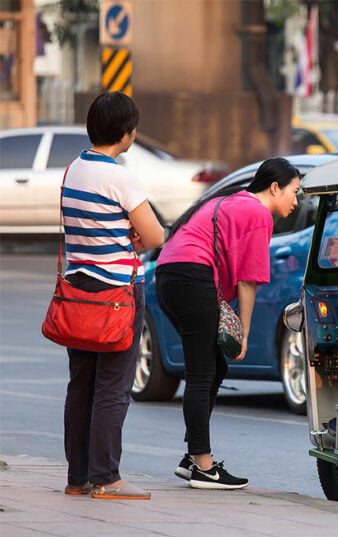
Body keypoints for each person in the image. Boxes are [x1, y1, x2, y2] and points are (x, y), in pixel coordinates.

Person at [155, 158, 301, 489]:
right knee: (202, 371)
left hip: (169, 276)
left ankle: (194, 456)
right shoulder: (258, 213)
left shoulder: (231, 200)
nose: (296, 200)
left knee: (213, 368)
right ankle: (203, 466)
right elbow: (249, 280)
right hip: (192, 278)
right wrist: (244, 332)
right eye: (294, 191)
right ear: (274, 187)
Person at [62, 91, 165, 500]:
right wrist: (132, 236)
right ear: (127, 133)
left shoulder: (73, 169)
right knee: (113, 386)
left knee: (81, 384)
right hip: (117, 293)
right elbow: (156, 235)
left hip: (78, 289)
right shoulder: (119, 175)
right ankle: (107, 477)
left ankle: (78, 477)